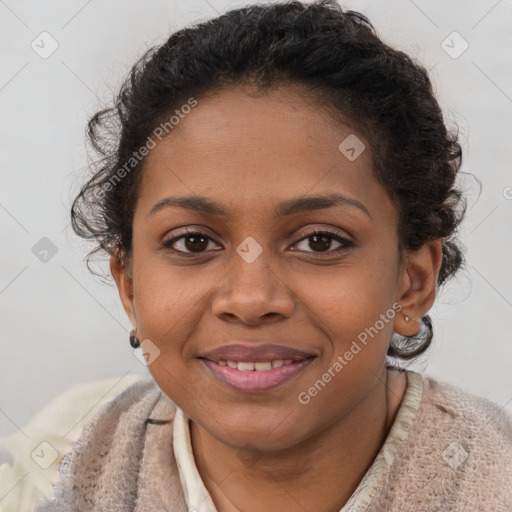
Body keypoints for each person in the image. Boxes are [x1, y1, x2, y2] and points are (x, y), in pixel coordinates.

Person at [25, 0, 512, 510]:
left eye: (320, 242)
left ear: (412, 283)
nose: (251, 299)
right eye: (193, 241)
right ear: (129, 286)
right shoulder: (58, 464)